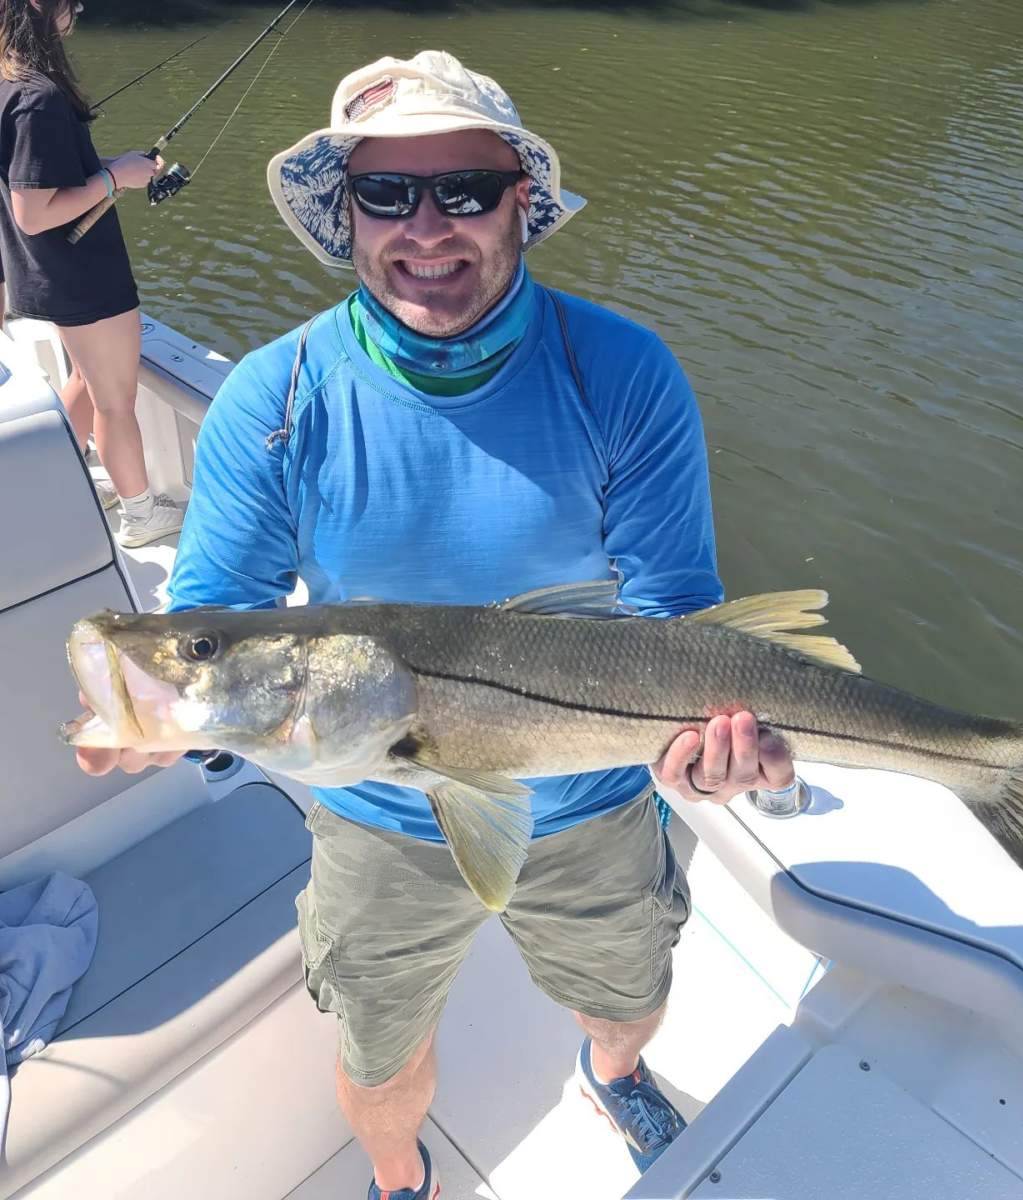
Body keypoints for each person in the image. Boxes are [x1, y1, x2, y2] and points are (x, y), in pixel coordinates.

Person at [75, 51, 795, 1200]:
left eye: (464, 188)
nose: (426, 227)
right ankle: (401, 1180)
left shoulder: (623, 375)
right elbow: (221, 608)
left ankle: (615, 1076)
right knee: (377, 1045)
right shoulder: (278, 394)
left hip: (597, 800)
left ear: (522, 202)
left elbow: (672, 621)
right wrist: (179, 720)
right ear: (345, 212)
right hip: (373, 815)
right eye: (387, 192)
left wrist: (700, 759)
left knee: (629, 994)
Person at [0, 0, 184, 546]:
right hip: (82, 276)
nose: (78, 7)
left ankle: (68, 480)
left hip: (47, 275)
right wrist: (115, 178)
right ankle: (141, 514)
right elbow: (34, 212)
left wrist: (107, 169)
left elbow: (31, 189)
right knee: (114, 400)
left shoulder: (10, 85)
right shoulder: (38, 96)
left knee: (85, 380)